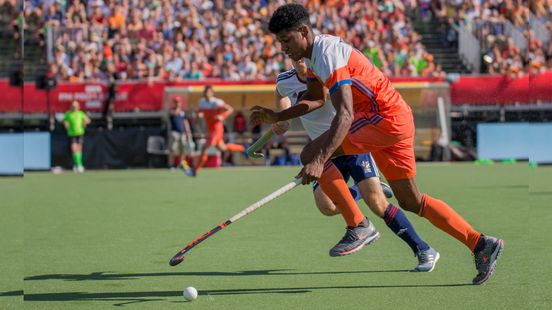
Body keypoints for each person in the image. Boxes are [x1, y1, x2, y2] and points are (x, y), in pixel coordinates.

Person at [252, 3, 503, 285]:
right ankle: (480, 244)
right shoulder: (313, 59)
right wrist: (278, 115)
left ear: (304, 31)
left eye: (287, 40)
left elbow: (345, 114)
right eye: (280, 42)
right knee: (411, 200)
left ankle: (358, 225)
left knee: (311, 152)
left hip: (383, 119)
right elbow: (317, 98)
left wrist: (321, 159)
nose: (284, 48)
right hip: (395, 119)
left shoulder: (327, 53)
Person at [269, 58, 438, 271]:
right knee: (327, 207)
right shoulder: (286, 79)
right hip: (323, 150)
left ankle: (423, 249)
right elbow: (280, 92)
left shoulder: (327, 73)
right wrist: (282, 117)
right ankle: (360, 190)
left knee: (377, 203)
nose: (300, 58)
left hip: (351, 142)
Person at [192, 85, 246, 176]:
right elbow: (200, 111)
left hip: (217, 129)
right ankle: (243, 148)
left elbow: (230, 109)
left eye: (208, 92)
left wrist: (222, 116)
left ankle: (195, 170)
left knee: (205, 147)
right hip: (210, 129)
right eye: (205, 92)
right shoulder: (201, 102)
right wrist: (198, 116)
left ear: (212, 93)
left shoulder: (217, 102)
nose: (207, 94)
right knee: (222, 148)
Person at [169, 96, 194, 175]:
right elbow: (173, 113)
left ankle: (181, 164)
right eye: (176, 102)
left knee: (183, 149)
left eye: (179, 102)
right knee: (173, 148)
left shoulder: (183, 112)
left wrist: (188, 132)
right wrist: (178, 109)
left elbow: (185, 122)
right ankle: (171, 165)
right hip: (174, 133)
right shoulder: (172, 110)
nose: (177, 103)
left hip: (182, 133)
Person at [63, 101, 91, 173]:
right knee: (74, 149)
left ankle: (79, 165)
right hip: (72, 134)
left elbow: (87, 120)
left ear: (78, 107)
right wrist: (66, 124)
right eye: (73, 106)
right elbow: (65, 121)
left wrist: (85, 122)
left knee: (79, 149)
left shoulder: (81, 113)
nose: (74, 107)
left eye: (76, 106)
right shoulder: (68, 114)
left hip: (80, 133)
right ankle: (77, 164)